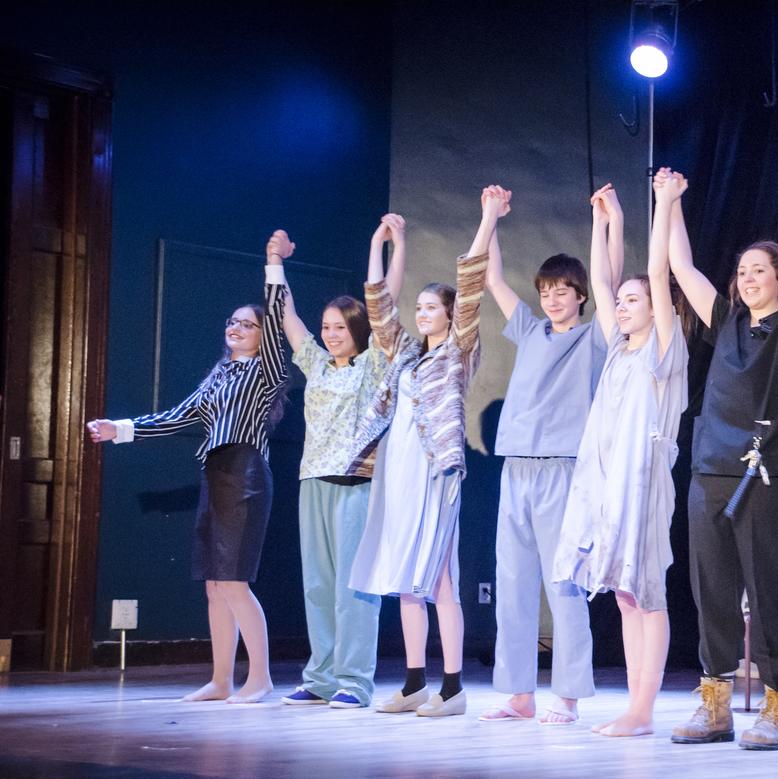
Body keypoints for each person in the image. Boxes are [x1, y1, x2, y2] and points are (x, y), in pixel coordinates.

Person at [86, 230, 292, 703]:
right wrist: (121, 428)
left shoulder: (266, 370)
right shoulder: (220, 375)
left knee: (235, 581)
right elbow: (179, 416)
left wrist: (273, 260)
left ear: (264, 336)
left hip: (245, 473)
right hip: (215, 474)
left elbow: (276, 310)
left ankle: (260, 678)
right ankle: (221, 680)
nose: (235, 328)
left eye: (247, 324)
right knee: (215, 585)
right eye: (232, 322)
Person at [666, 168, 778, 751]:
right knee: (712, 591)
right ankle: (715, 706)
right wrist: (670, 201)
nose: (749, 278)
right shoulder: (725, 321)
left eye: (760, 270)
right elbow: (681, 266)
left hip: (766, 476)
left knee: (769, 588)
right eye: (743, 271)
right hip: (711, 470)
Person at [346, 191, 501, 717]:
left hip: (436, 472)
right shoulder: (407, 355)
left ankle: (453, 689)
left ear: (451, 315)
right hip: (399, 473)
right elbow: (378, 306)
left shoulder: (458, 352)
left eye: (431, 306)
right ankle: (414, 682)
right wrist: (384, 243)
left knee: (440, 580)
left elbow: (472, 283)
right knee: (405, 583)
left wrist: (487, 218)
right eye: (420, 307)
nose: (421, 313)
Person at [478, 186, 622, 726]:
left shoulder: (594, 339)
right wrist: (491, 217)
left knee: (564, 585)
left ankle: (568, 694)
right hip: (516, 467)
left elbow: (609, 280)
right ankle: (518, 693)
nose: (553, 299)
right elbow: (492, 278)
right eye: (546, 291)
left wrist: (604, 223)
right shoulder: (530, 329)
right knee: (512, 584)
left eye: (563, 291)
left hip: (563, 470)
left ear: (580, 295)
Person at [552, 176, 689, 737]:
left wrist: (664, 205)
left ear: (657, 309)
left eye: (636, 301)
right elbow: (602, 282)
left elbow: (656, 273)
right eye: (623, 303)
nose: (624, 306)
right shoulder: (618, 350)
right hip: (607, 486)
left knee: (647, 593)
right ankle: (635, 706)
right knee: (627, 596)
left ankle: (643, 710)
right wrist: (605, 222)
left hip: (644, 484)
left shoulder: (665, 349)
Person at [276, 256, 388, 709]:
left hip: (356, 483)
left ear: (358, 329)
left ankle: (354, 681)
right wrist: (274, 264)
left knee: (352, 587)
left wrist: (386, 245)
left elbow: (385, 306)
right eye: (326, 326)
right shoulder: (318, 365)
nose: (331, 334)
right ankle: (321, 677)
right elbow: (287, 316)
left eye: (340, 327)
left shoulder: (373, 364)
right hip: (313, 480)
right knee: (318, 586)